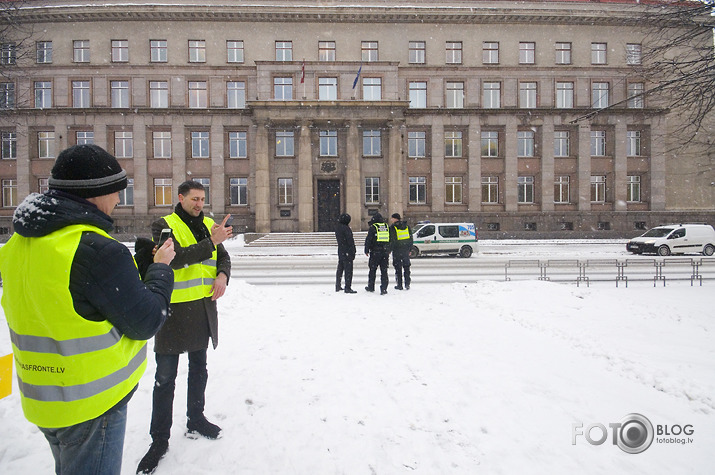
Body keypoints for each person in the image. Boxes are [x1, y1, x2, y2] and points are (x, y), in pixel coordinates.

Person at [0, 144, 175, 475]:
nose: (118, 201)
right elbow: (147, 320)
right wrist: (161, 268)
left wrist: (137, 266)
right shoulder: (95, 249)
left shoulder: (19, 244)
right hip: (91, 404)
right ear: (95, 193)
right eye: (116, 192)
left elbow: (77, 299)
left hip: (44, 398)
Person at [137, 180, 232, 474]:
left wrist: (223, 275)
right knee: (165, 378)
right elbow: (174, 259)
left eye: (202, 199)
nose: (199, 204)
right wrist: (211, 244)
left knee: (199, 369)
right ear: (181, 198)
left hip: (202, 309)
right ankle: (159, 439)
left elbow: (223, 255)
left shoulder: (209, 223)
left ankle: (196, 418)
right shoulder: (164, 224)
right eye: (194, 199)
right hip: (173, 311)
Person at [364, 212, 392, 295]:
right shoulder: (387, 227)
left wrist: (366, 250)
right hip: (385, 252)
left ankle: (371, 286)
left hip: (375, 252)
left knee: (372, 270)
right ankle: (384, 288)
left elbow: (369, 239)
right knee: (384, 271)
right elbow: (390, 239)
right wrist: (389, 249)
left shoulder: (373, 227)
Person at [389, 213, 413, 290]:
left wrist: (390, 249)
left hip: (397, 250)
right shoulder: (406, 226)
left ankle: (399, 285)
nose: (391, 220)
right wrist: (410, 249)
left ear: (395, 219)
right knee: (406, 267)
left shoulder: (393, 227)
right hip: (405, 250)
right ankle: (407, 284)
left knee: (398, 268)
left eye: (392, 218)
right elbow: (410, 238)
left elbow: (392, 240)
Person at [335, 213, 357, 293]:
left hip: (341, 250)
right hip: (347, 251)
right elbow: (350, 241)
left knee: (340, 269)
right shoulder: (346, 228)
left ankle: (338, 285)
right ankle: (348, 287)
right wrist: (353, 250)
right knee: (348, 270)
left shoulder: (338, 228)